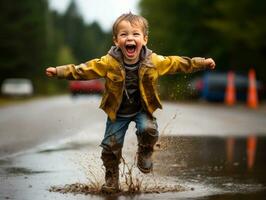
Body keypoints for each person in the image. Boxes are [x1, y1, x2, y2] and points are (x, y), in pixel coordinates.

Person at [46, 12, 215, 193]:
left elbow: (177, 63)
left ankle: (145, 151)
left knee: (149, 130)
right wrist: (59, 71)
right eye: (124, 34)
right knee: (110, 146)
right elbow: (84, 70)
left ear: (145, 39)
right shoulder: (108, 62)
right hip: (117, 112)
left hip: (143, 109)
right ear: (116, 40)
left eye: (135, 34)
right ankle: (111, 177)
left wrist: (202, 63)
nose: (130, 38)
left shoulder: (153, 61)